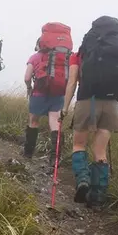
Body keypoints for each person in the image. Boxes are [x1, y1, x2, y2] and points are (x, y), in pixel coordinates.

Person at [62, 16, 118, 208]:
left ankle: (83, 181)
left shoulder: (81, 53)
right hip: (112, 104)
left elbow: (72, 82)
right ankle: (97, 197)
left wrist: (64, 107)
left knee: (79, 145)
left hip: (88, 100)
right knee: (100, 151)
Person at [23, 23, 73, 164]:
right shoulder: (65, 58)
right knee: (55, 123)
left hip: (38, 93)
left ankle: (28, 154)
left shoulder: (35, 57)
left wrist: (29, 88)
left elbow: (27, 77)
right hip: (58, 93)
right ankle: (55, 159)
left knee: (33, 121)